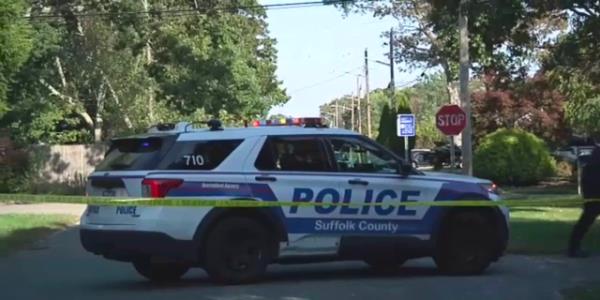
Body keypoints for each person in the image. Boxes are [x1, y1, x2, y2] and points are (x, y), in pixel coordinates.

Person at [568, 145, 600, 258]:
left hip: (592, 190)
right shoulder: (597, 155)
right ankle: (573, 249)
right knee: (586, 219)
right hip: (595, 192)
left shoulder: (596, 154)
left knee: (586, 220)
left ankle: (573, 248)